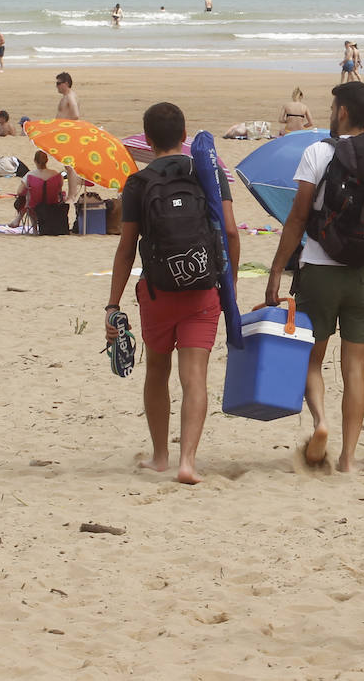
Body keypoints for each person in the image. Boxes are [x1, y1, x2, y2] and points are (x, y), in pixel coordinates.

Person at [265, 81, 364, 472]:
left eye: (334, 107)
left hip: (319, 270)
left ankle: (321, 422)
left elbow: (298, 217)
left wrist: (277, 270)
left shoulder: (317, 153)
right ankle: (348, 459)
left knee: (312, 360)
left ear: (343, 112)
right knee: (355, 369)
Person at [105, 102, 240, 485]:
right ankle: (189, 463)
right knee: (194, 376)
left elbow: (127, 246)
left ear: (147, 140)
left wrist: (113, 304)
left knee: (157, 371)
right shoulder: (208, 175)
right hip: (203, 292)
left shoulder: (138, 182)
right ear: (185, 137)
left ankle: (160, 456)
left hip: (158, 293)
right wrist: (226, 284)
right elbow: (230, 231)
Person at [10, 149, 78, 226]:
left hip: (34, 208)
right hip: (53, 205)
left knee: (27, 196)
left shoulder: (30, 175)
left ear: (35, 161)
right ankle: (17, 220)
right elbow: (59, 189)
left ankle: (26, 223)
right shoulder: (56, 175)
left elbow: (19, 192)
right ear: (47, 160)